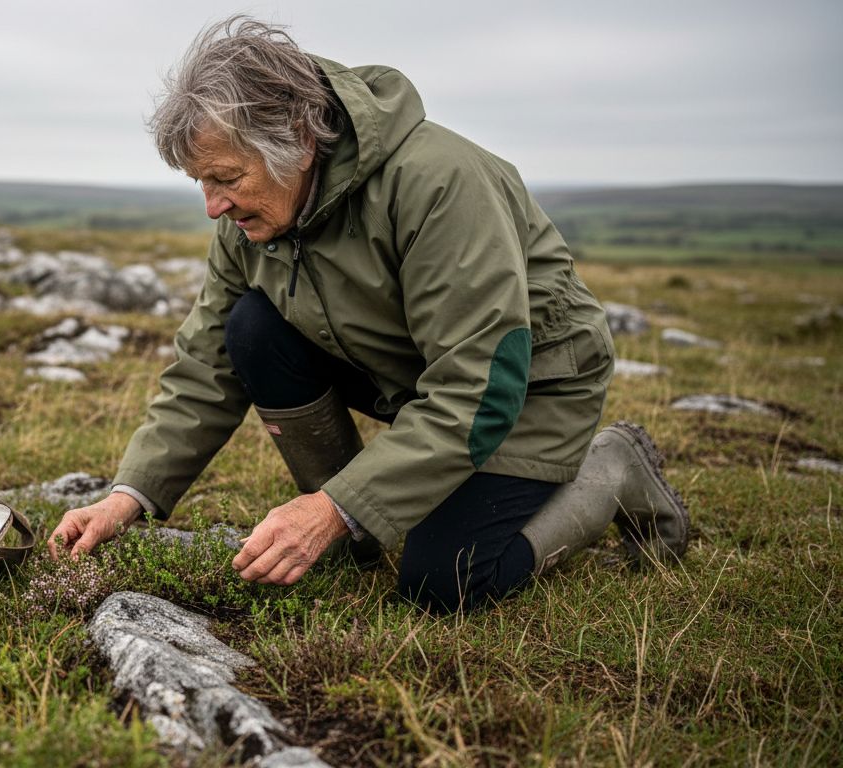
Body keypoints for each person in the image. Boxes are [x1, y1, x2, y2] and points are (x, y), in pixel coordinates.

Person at [47, 16, 689, 612]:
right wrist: (128, 496)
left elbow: (480, 389)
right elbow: (205, 363)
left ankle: (611, 471)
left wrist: (331, 506)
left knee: (447, 581)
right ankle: (352, 535)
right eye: (200, 184)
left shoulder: (439, 184)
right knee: (252, 326)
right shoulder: (251, 218)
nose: (213, 207)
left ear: (298, 142)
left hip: (528, 387)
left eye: (226, 178)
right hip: (409, 374)